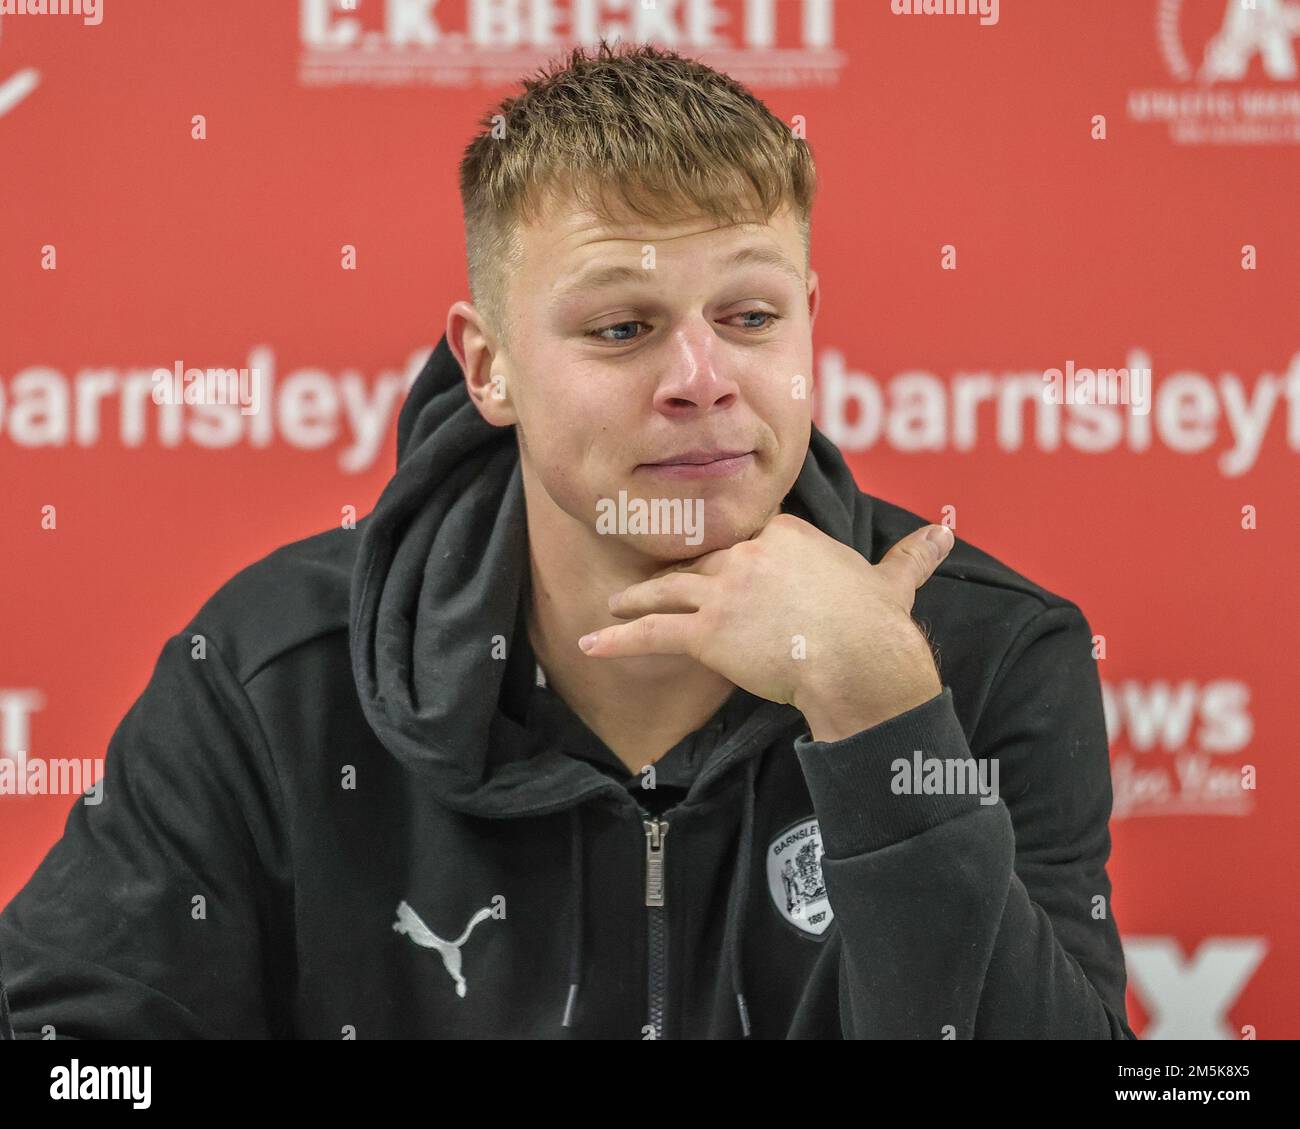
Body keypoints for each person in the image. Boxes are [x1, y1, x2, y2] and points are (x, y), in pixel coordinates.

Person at [0, 40, 1135, 1040]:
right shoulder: (274, 672)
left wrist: (879, 714)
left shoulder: (982, 656)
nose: (702, 382)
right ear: (486, 364)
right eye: (622, 327)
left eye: (749, 317)